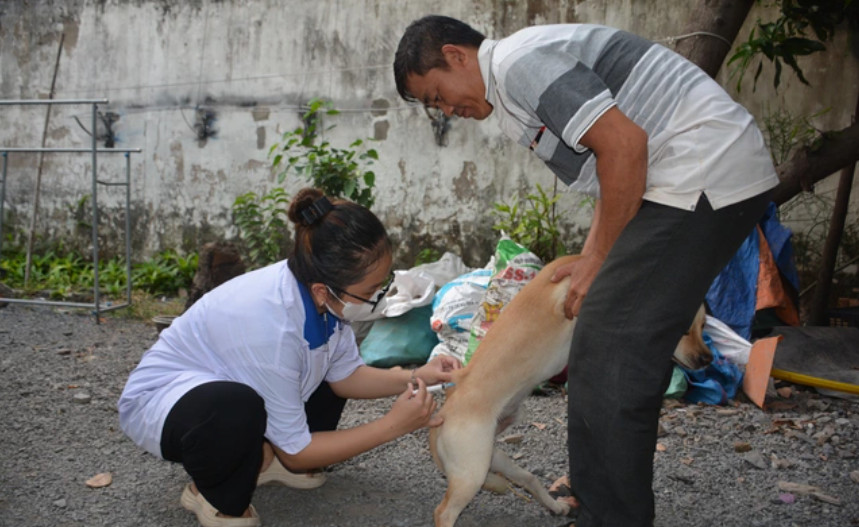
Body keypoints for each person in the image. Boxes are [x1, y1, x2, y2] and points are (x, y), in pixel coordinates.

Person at [394, 16, 779, 527]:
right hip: (684, 178)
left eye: (437, 95)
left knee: (613, 343)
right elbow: (610, 170)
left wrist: (600, 258)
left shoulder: (517, 66)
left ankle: (609, 514)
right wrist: (595, 251)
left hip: (700, 170)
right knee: (602, 331)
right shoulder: (512, 90)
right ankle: (600, 500)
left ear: (457, 55)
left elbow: (624, 146)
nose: (446, 112)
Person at [118, 187, 460, 527]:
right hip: (163, 402)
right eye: (371, 291)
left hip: (227, 381)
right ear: (323, 291)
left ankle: (265, 458)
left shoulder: (321, 295)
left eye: (382, 286)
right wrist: (393, 425)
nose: (379, 299)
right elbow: (301, 453)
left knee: (314, 372)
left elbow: (346, 377)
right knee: (236, 407)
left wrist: (418, 375)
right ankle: (213, 494)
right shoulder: (272, 327)